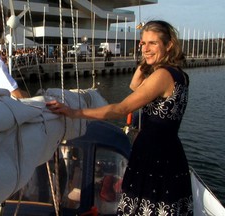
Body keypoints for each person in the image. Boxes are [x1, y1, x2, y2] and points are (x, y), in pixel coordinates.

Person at [46, 20, 193, 215]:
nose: (145, 48)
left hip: (154, 156)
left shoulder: (162, 76)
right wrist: (148, 57)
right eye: (143, 43)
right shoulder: (179, 75)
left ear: (169, 45)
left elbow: (121, 108)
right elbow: (134, 85)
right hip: (170, 152)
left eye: (153, 43)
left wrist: (74, 113)